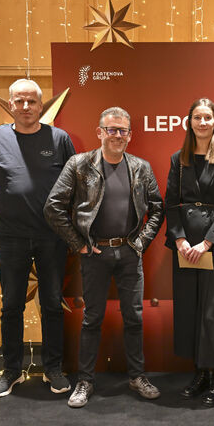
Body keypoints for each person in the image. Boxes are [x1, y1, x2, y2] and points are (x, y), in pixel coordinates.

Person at [44, 107, 164, 408]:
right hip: (94, 254)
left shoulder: (141, 167)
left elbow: (157, 208)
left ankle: (137, 376)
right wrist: (79, 244)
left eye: (123, 130)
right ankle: (85, 381)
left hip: (129, 253)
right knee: (92, 319)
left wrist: (141, 243)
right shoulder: (79, 164)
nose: (117, 135)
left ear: (130, 135)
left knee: (134, 317)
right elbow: (53, 207)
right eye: (111, 129)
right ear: (100, 132)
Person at [0, 79, 76, 398]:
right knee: (11, 306)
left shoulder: (59, 139)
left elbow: (76, 186)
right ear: (10, 104)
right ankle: (11, 371)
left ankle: (53, 369)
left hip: (52, 237)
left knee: (52, 305)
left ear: (41, 105)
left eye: (31, 101)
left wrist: (69, 229)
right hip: (11, 238)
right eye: (19, 101)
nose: (25, 107)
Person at [164, 98, 214, 407]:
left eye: (208, 117)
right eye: (197, 117)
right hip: (185, 247)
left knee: (213, 313)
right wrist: (180, 240)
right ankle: (200, 374)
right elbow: (171, 203)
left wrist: (207, 243)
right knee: (191, 310)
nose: (202, 122)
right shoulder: (178, 159)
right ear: (190, 122)